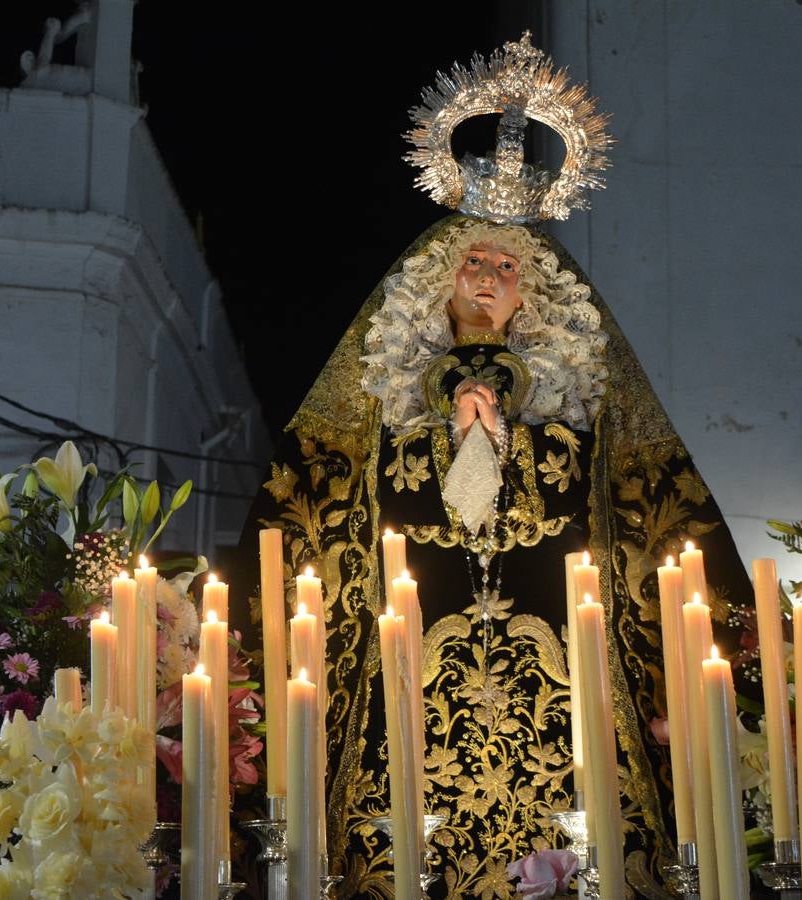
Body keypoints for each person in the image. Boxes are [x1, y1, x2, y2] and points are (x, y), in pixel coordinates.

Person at [236, 36, 760, 898]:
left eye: (508, 266)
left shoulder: (579, 403)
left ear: (534, 293)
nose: (487, 276)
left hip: (565, 689)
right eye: (473, 261)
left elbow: (644, 511)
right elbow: (323, 508)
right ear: (437, 282)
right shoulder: (384, 399)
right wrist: (447, 434)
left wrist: (514, 437)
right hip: (409, 692)